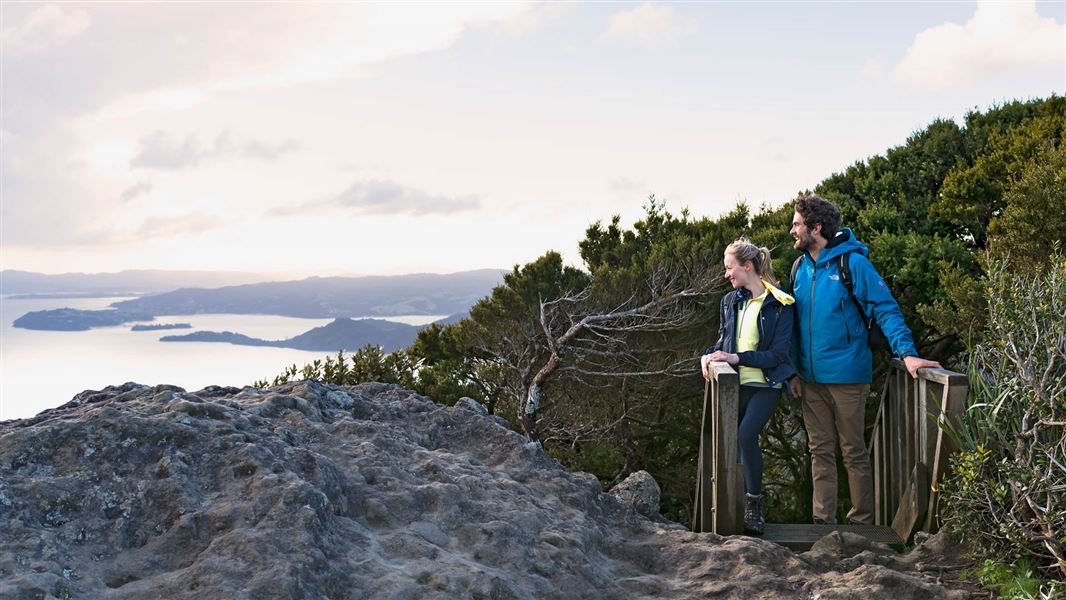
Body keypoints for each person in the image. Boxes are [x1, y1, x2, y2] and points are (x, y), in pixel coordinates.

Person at [787, 194, 941, 525]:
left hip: (848, 377)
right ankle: (822, 523)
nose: (792, 231)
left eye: (797, 224)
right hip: (810, 380)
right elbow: (792, 325)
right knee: (819, 452)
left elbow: (885, 309)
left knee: (853, 452)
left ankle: (860, 523)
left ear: (816, 228)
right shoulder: (799, 268)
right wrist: (792, 372)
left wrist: (909, 355)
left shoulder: (853, 263)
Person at [701, 238, 796, 535]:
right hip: (732, 386)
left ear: (748, 266)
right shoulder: (729, 302)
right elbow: (723, 342)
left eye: (730, 268)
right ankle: (735, 508)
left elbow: (779, 355)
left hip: (766, 385)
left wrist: (737, 357)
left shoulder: (781, 304)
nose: (727, 274)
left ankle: (754, 504)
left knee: (745, 434)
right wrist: (708, 355)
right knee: (733, 443)